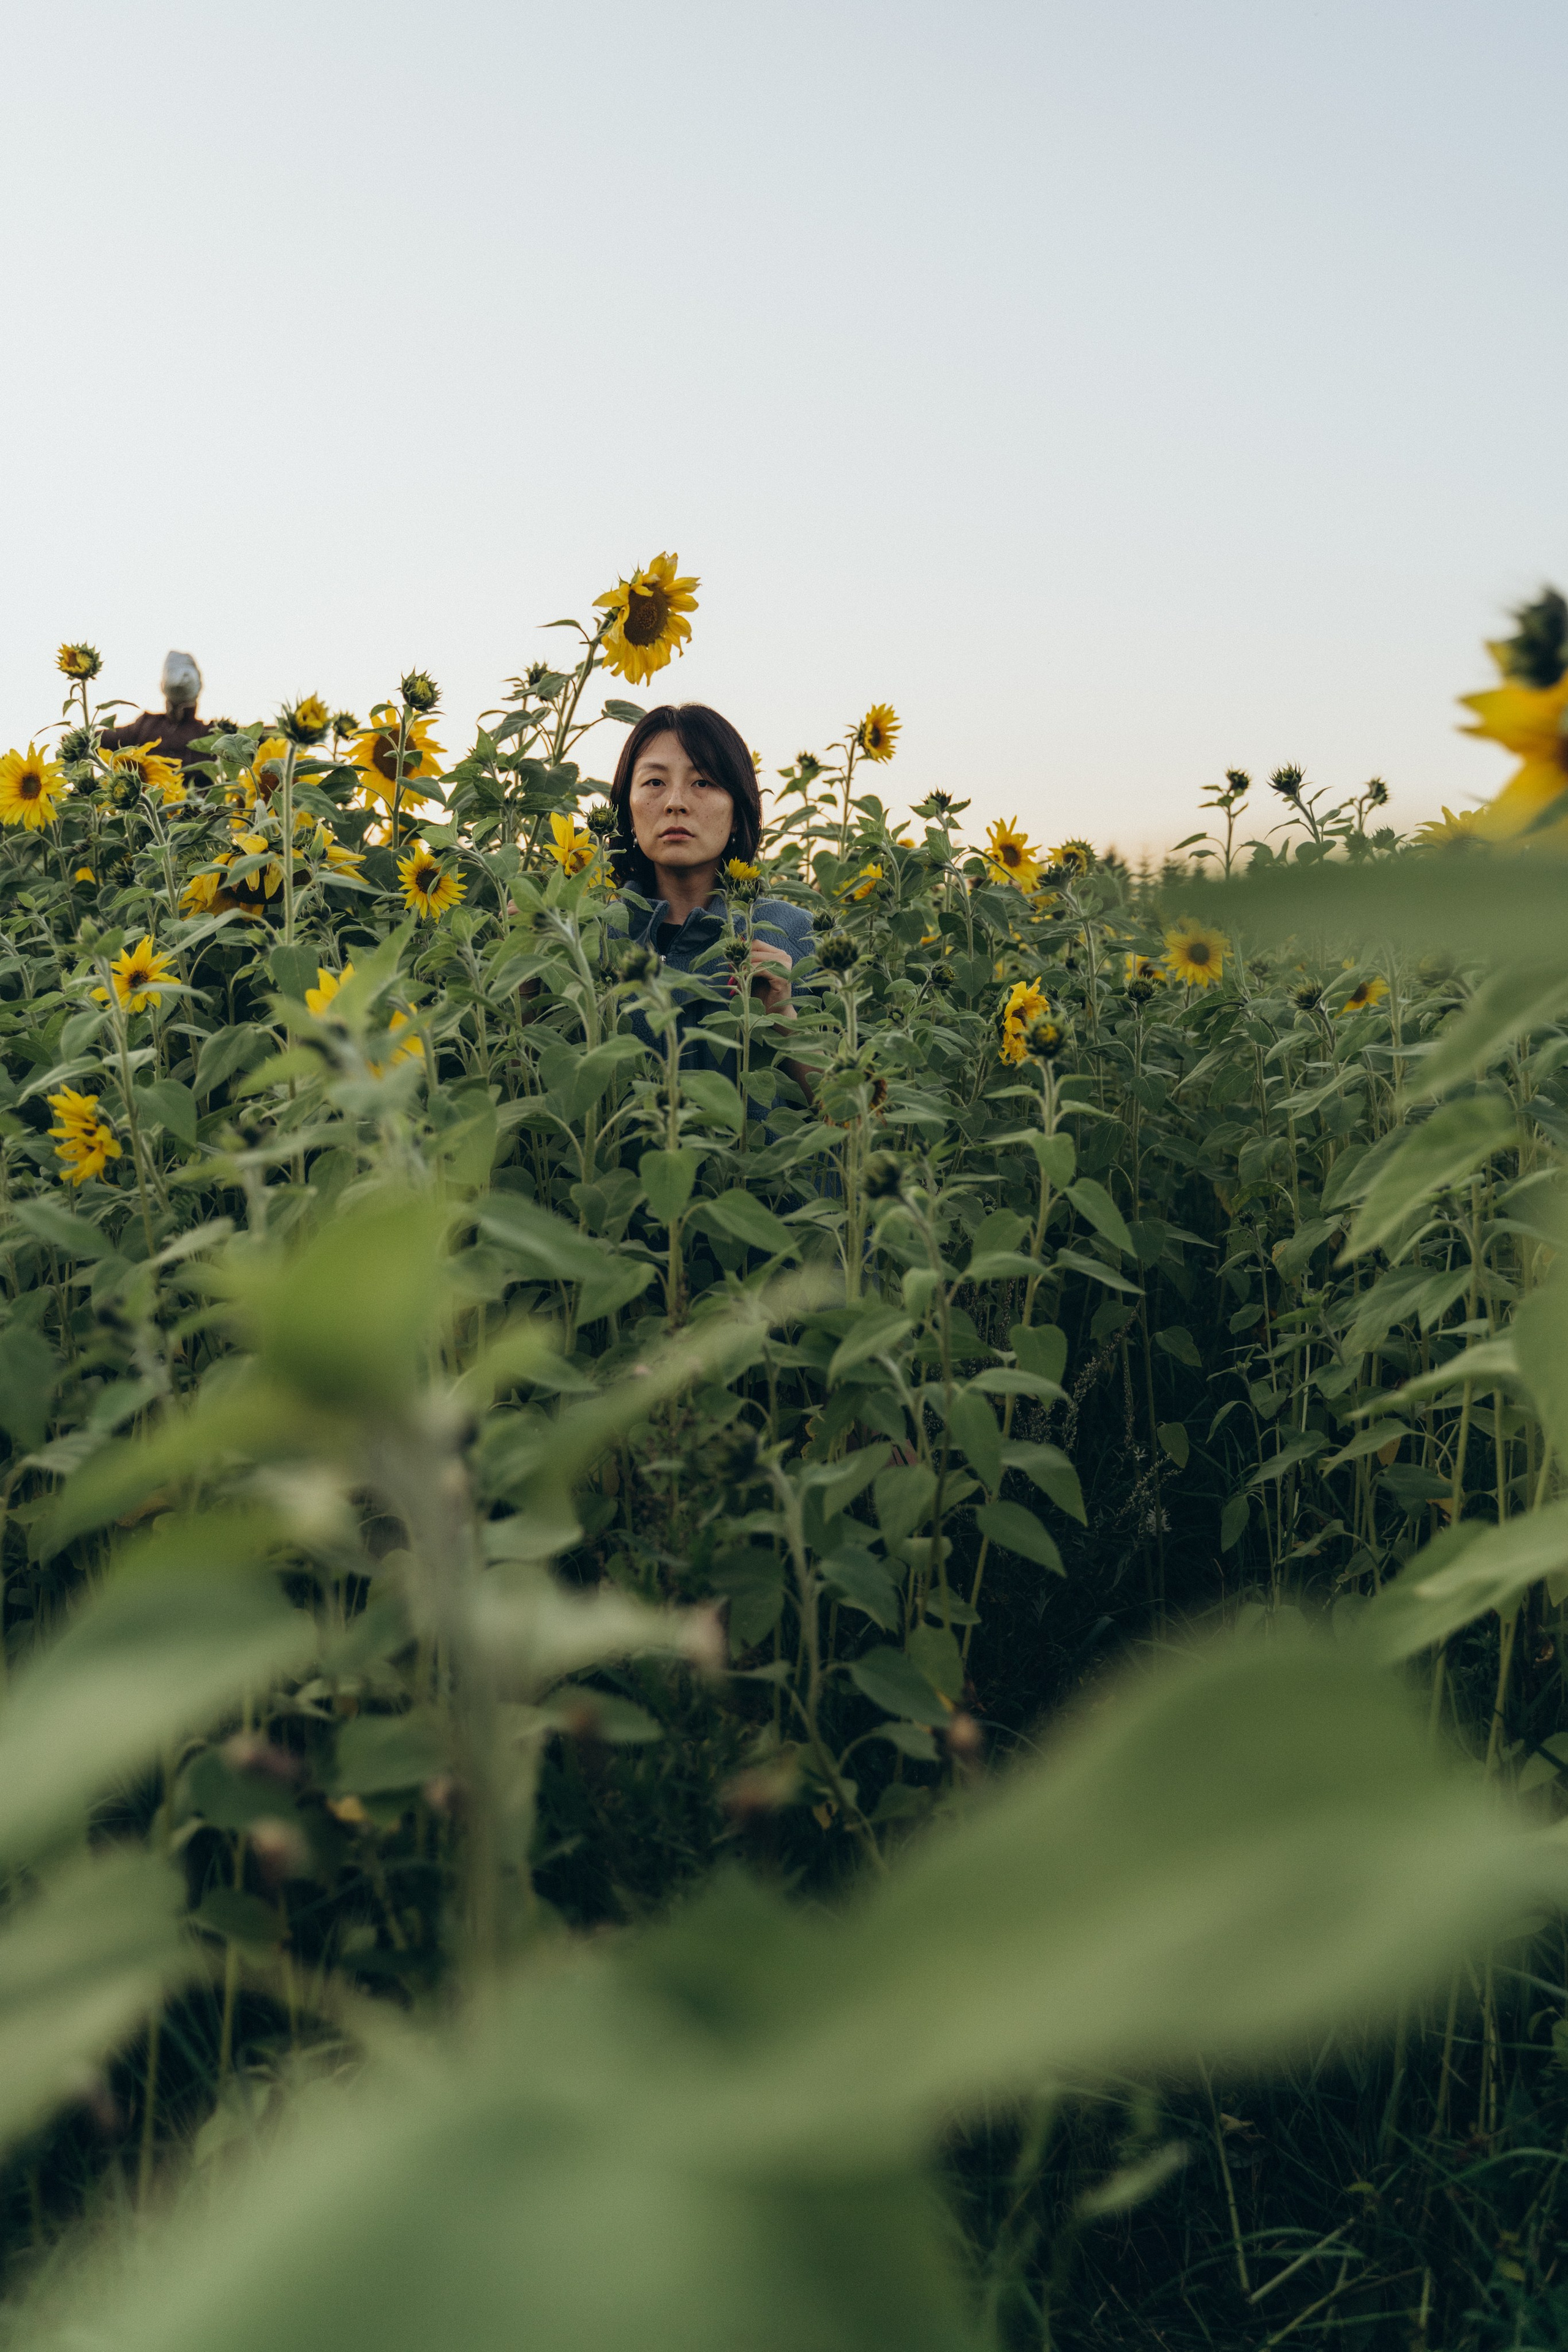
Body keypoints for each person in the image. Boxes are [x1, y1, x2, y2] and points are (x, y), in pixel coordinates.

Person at [608, 703, 815, 1096]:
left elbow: (850, 1116)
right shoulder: (597, 935)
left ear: (737, 812)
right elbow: (533, 1101)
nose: (675, 803)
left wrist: (782, 1014)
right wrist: (530, 981)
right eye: (654, 782)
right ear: (626, 808)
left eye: (703, 782)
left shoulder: (796, 935)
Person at [100, 650, 211, 771]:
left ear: (163, 686)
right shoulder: (210, 735)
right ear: (199, 687)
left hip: (149, 790)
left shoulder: (146, 726)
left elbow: (96, 740)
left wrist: (84, 738)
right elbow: (97, 740)